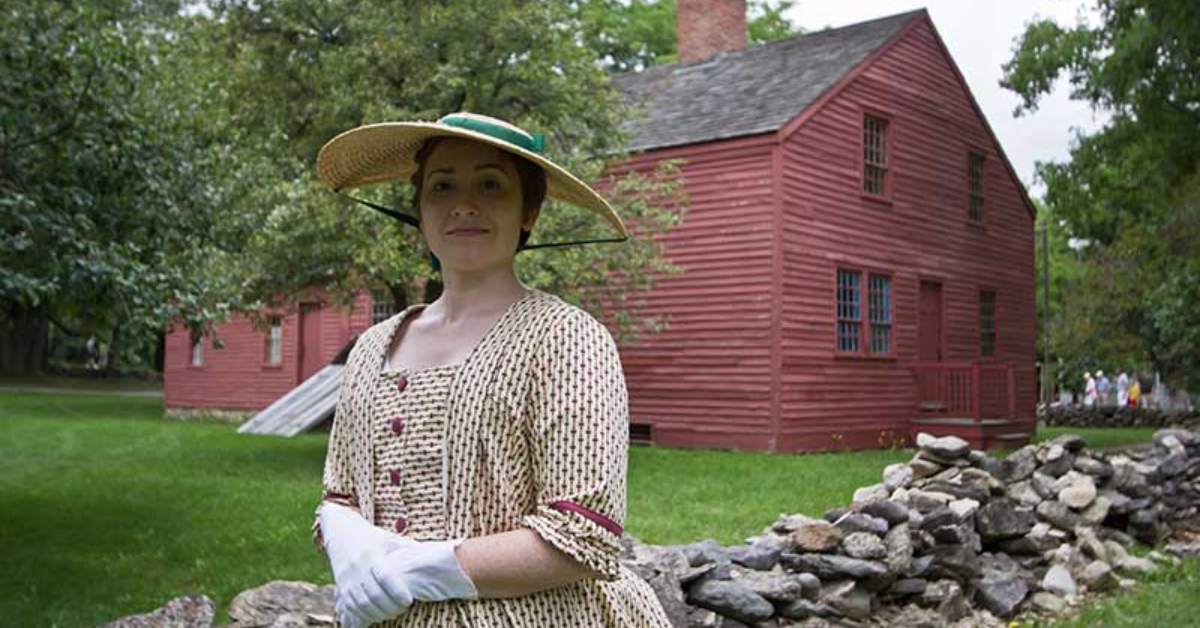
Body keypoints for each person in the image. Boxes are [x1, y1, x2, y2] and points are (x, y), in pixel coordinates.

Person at [309, 113, 672, 628]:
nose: (463, 203)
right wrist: (346, 537)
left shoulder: (565, 338)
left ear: (529, 211)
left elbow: (583, 533)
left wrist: (417, 571)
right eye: (442, 185)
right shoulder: (371, 348)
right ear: (419, 209)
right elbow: (340, 494)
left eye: (490, 184)